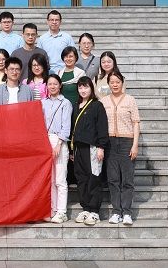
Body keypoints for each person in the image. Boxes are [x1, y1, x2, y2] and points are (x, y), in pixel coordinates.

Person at [103, 72, 141, 226]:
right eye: (112, 82)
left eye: (117, 82)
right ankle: (116, 211)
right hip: (110, 142)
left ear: (122, 83)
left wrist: (135, 145)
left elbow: (136, 123)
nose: (115, 84)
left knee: (127, 180)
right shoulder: (104, 101)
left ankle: (126, 212)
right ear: (108, 84)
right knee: (113, 179)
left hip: (127, 142)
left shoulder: (130, 100)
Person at [70, 76, 109, 226]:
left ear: (91, 88)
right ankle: (85, 208)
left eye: (85, 87)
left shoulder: (97, 105)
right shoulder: (76, 105)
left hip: (92, 147)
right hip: (78, 148)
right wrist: (72, 150)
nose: (83, 90)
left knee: (94, 177)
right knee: (81, 178)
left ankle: (94, 211)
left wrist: (101, 147)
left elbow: (102, 127)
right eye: (80, 87)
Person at [42, 75, 72, 224]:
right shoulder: (43, 103)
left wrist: (59, 144)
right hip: (45, 140)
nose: (52, 86)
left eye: (55, 84)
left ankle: (61, 211)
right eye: (50, 84)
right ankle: (52, 209)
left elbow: (66, 126)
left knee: (60, 179)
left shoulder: (65, 103)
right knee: (51, 179)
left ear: (60, 85)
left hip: (59, 140)